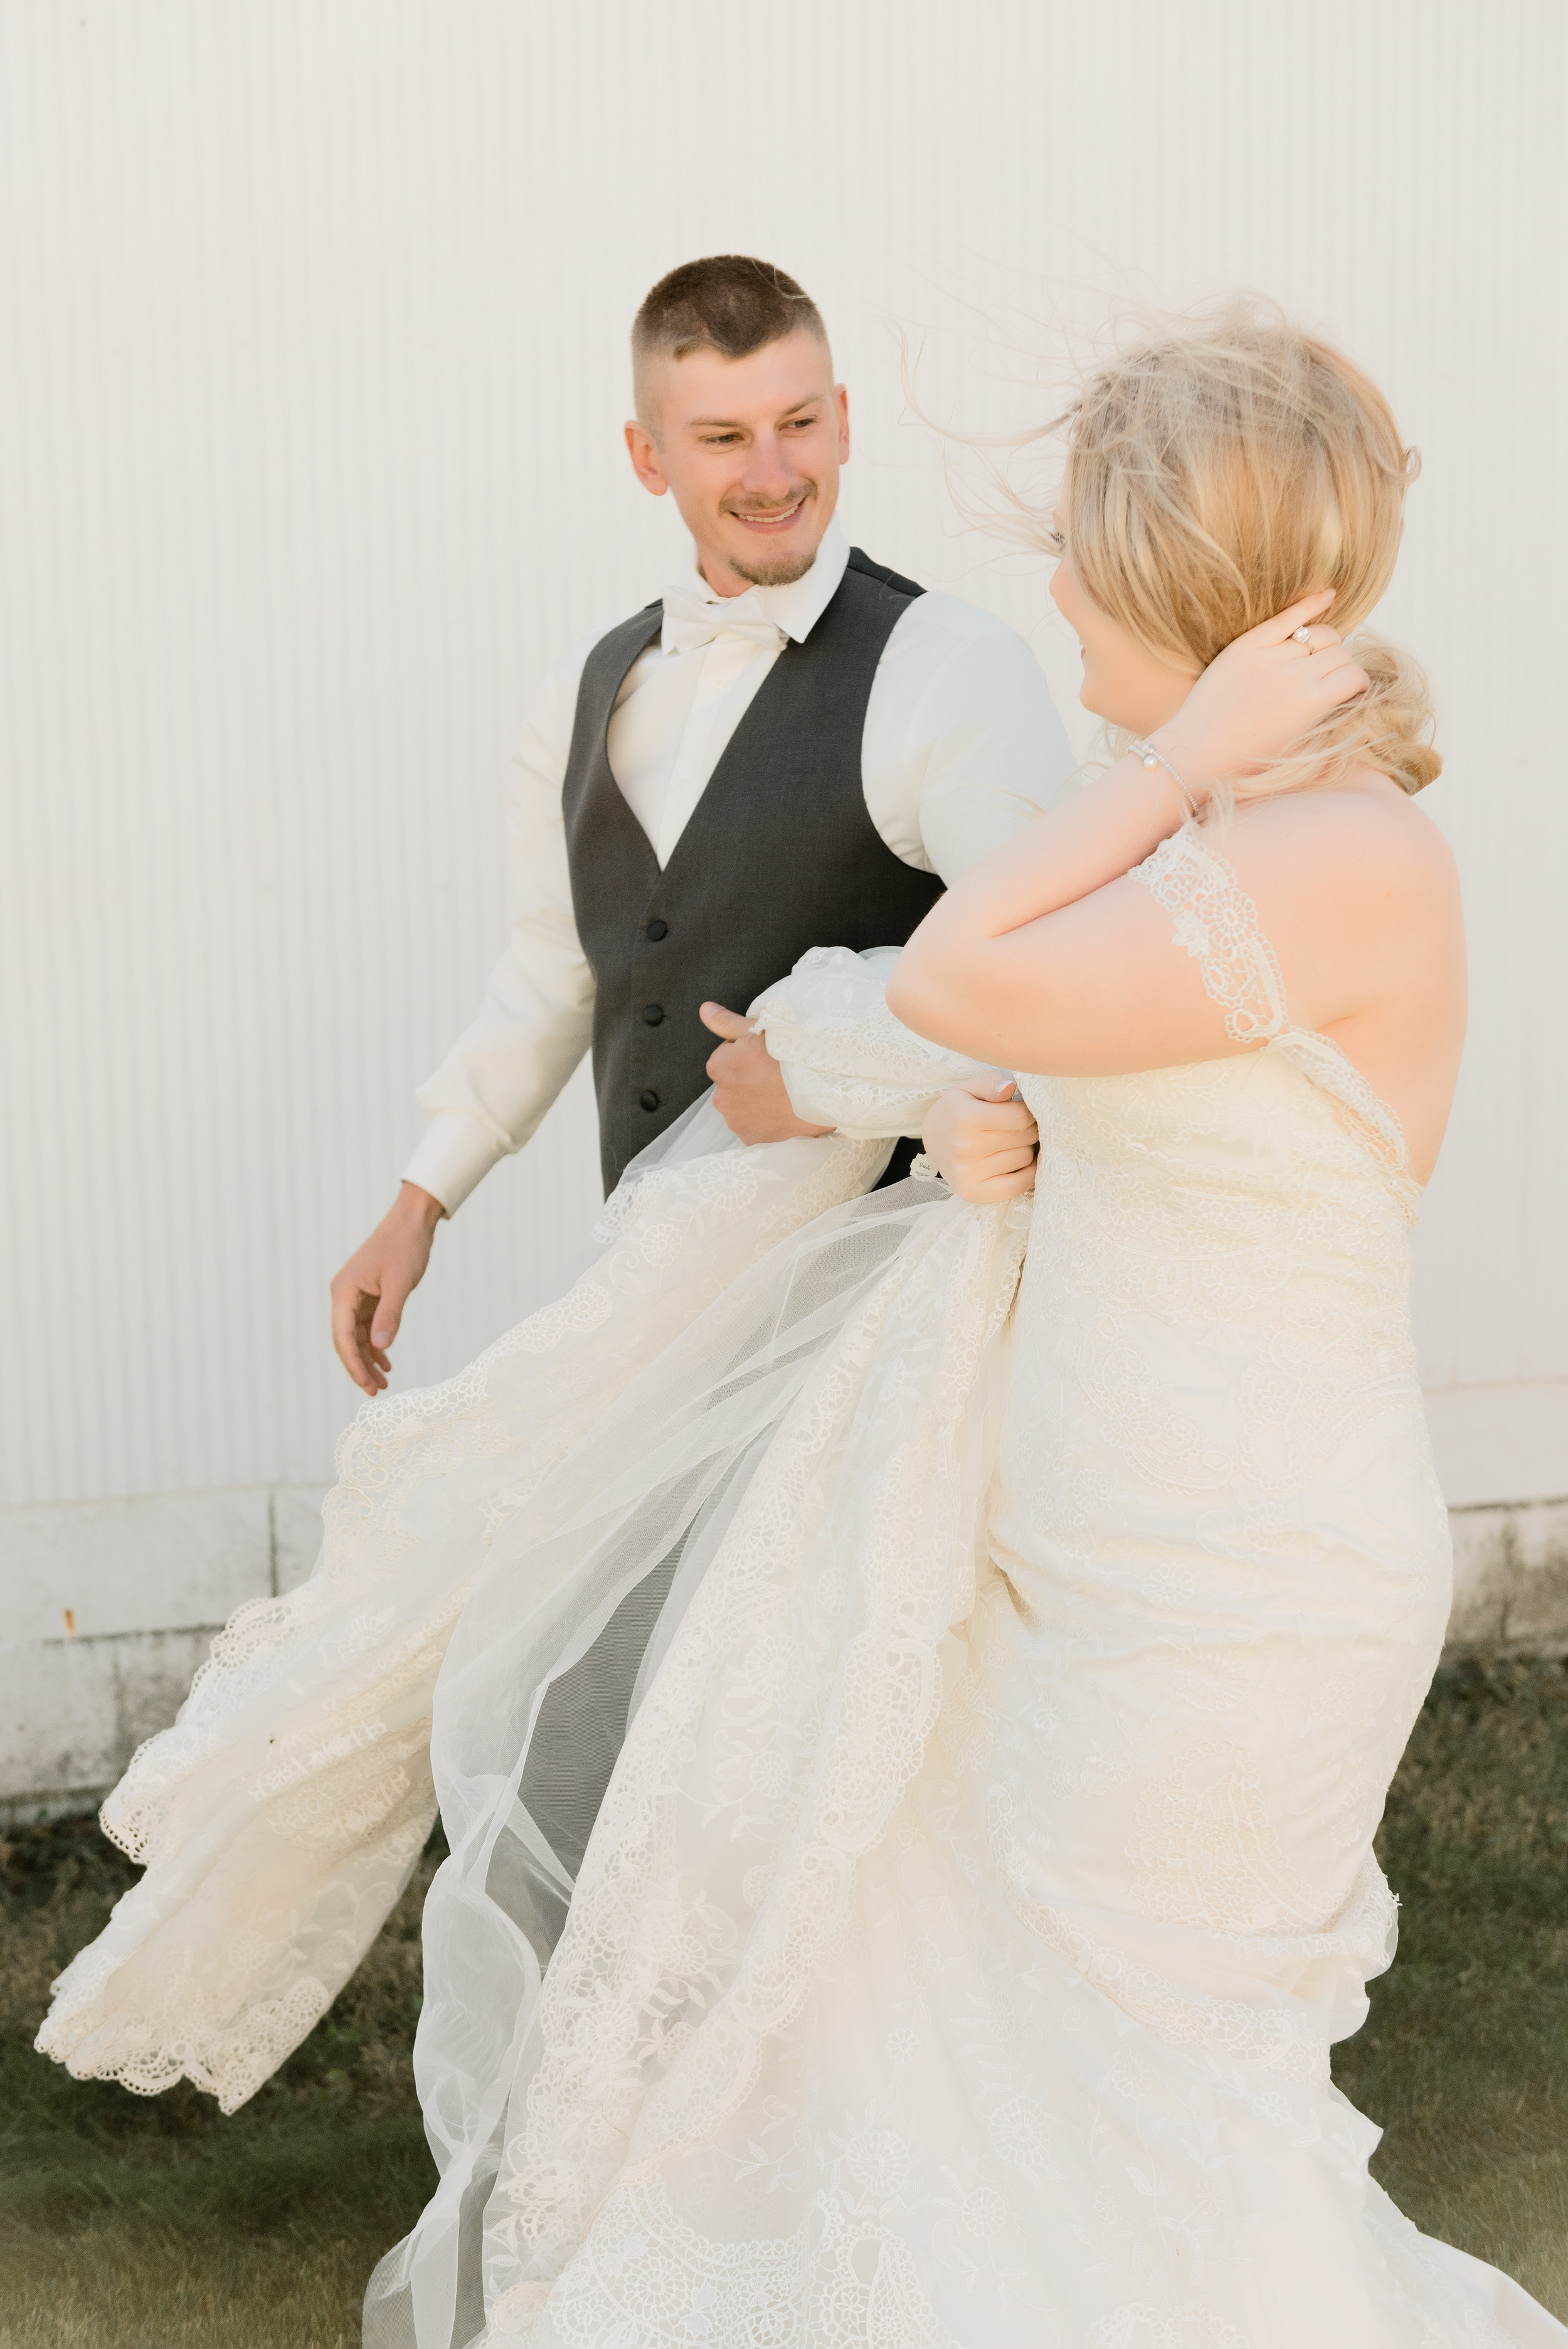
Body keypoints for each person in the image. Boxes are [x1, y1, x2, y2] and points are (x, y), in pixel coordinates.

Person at [326, 252, 1078, 1401]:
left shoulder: (952, 668)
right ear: (647, 455)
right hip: (661, 1306)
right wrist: (421, 1198)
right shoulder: (582, 690)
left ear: (843, 424)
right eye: (724, 437)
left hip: (883, 1330)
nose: (774, 473)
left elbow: (1054, 1004)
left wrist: (834, 1083)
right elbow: (554, 971)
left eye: (799, 422)